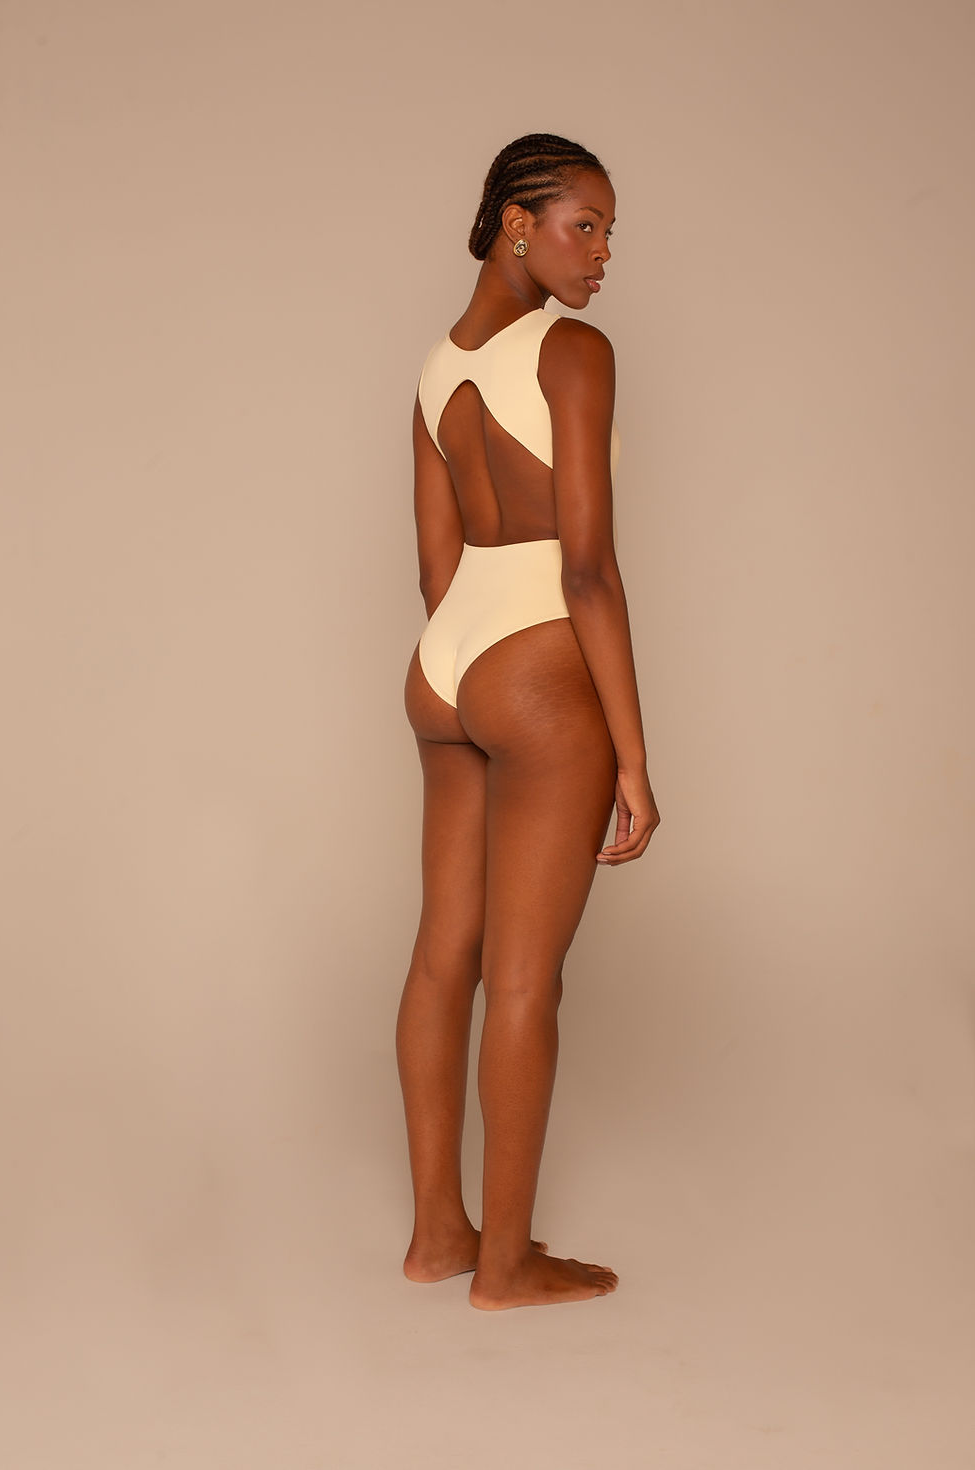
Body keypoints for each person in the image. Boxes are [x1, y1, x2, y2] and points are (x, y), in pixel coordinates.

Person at [396, 133, 661, 1312]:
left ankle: (436, 1236)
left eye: (606, 232)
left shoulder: (433, 369)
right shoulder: (571, 351)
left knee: (438, 954)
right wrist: (632, 758)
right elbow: (587, 568)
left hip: (444, 663)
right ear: (516, 222)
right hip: (538, 662)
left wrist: (468, 666)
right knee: (520, 977)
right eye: (582, 225)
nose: (600, 254)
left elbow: (433, 567)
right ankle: (504, 1265)